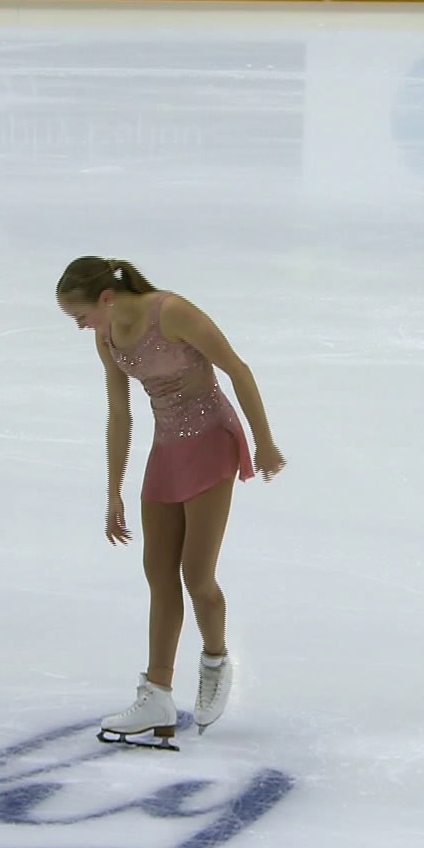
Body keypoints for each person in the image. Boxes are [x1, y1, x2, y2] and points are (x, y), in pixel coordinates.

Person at [54, 256, 285, 747]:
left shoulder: (172, 312)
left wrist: (264, 442)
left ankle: (216, 661)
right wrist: (114, 490)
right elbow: (120, 413)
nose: (81, 326)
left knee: (196, 577)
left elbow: (237, 369)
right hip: (167, 449)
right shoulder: (106, 337)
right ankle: (157, 694)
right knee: (159, 574)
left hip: (211, 438)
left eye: (81, 315)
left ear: (106, 298)